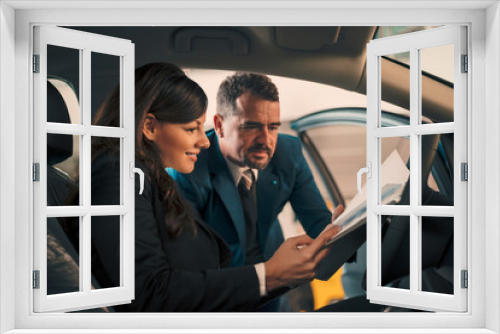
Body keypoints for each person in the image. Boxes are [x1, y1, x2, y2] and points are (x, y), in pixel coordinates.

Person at [88, 63, 341, 312]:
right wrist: (270, 275)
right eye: (191, 129)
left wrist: (284, 272)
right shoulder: (118, 174)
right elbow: (151, 291)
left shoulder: (150, 178)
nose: (204, 141)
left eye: (200, 126)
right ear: (150, 127)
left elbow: (182, 280)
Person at [169, 72, 344, 269]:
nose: (265, 140)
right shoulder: (187, 171)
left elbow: (318, 224)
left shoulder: (289, 153)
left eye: (273, 127)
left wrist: (341, 230)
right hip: (219, 285)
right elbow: (190, 261)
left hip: (276, 273)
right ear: (219, 126)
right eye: (251, 127)